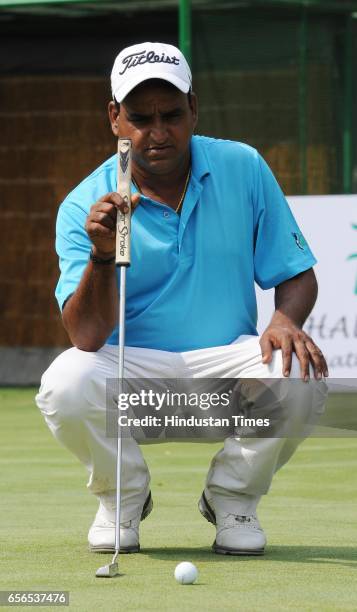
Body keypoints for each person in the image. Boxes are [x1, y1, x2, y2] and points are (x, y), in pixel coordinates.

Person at [36, 41, 328, 556]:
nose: (157, 132)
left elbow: (298, 273)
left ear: (193, 109)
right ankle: (122, 499)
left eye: (171, 114)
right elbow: (85, 336)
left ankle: (232, 499)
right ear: (114, 118)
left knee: (298, 373)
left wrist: (284, 319)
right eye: (140, 118)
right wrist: (103, 257)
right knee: (64, 380)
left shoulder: (243, 166)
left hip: (224, 367)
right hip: (131, 378)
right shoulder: (86, 203)